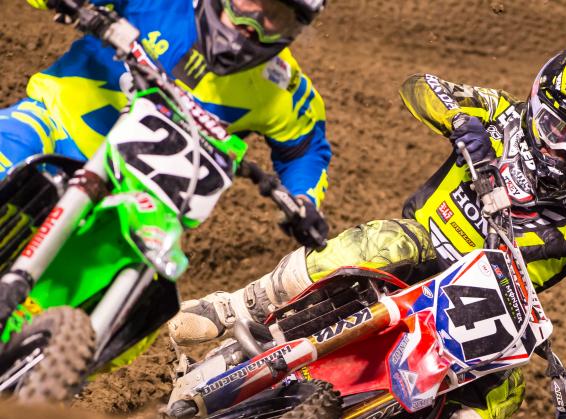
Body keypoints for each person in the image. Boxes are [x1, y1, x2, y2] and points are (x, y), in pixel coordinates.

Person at [169, 42, 566, 419]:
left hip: (482, 311)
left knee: (509, 384)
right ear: (536, 106)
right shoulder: (500, 114)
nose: (565, 153)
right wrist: (461, 122)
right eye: (559, 131)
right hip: (418, 256)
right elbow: (422, 87)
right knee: (389, 241)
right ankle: (237, 305)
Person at [0, 0, 330, 247]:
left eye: (275, 18)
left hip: (137, 199)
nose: (252, 25)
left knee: (150, 284)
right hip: (52, 127)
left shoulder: (281, 88)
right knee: (9, 150)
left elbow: (305, 149)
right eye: (251, 2)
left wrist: (303, 201)